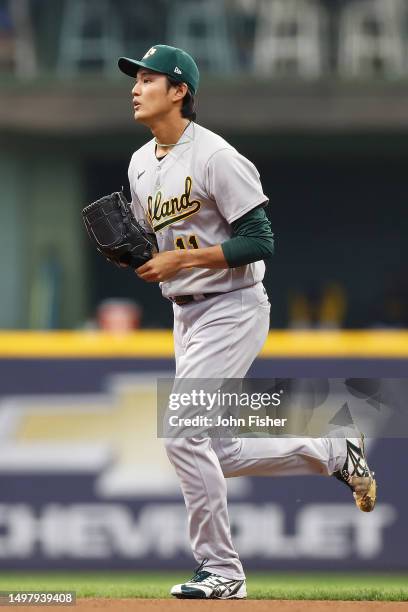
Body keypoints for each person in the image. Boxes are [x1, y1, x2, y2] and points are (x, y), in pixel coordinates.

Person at [118, 44, 376, 600]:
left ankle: (223, 572)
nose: (135, 88)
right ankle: (337, 452)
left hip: (232, 307)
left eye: (147, 79)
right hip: (184, 313)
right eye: (134, 80)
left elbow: (261, 240)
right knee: (222, 449)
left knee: (182, 432)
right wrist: (133, 253)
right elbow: (155, 245)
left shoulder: (216, 156)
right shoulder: (141, 163)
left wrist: (180, 258)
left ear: (179, 90)